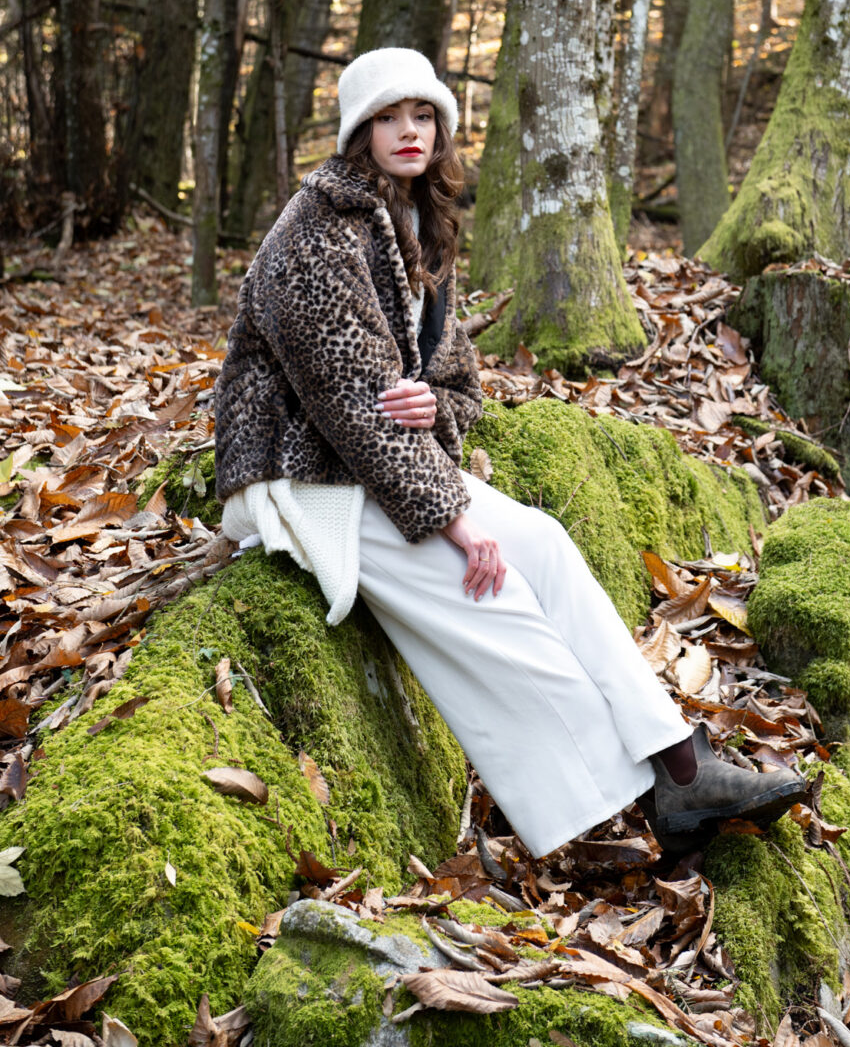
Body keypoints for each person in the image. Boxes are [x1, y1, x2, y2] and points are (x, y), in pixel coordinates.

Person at [214, 47, 804, 858]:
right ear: (358, 132)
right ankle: (605, 816)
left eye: (423, 114)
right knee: (487, 589)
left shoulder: (419, 220)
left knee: (548, 548)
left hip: (382, 464)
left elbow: (457, 386)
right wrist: (455, 521)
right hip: (303, 475)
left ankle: (682, 767)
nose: (409, 131)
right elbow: (354, 408)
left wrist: (435, 404)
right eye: (388, 117)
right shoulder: (314, 235)